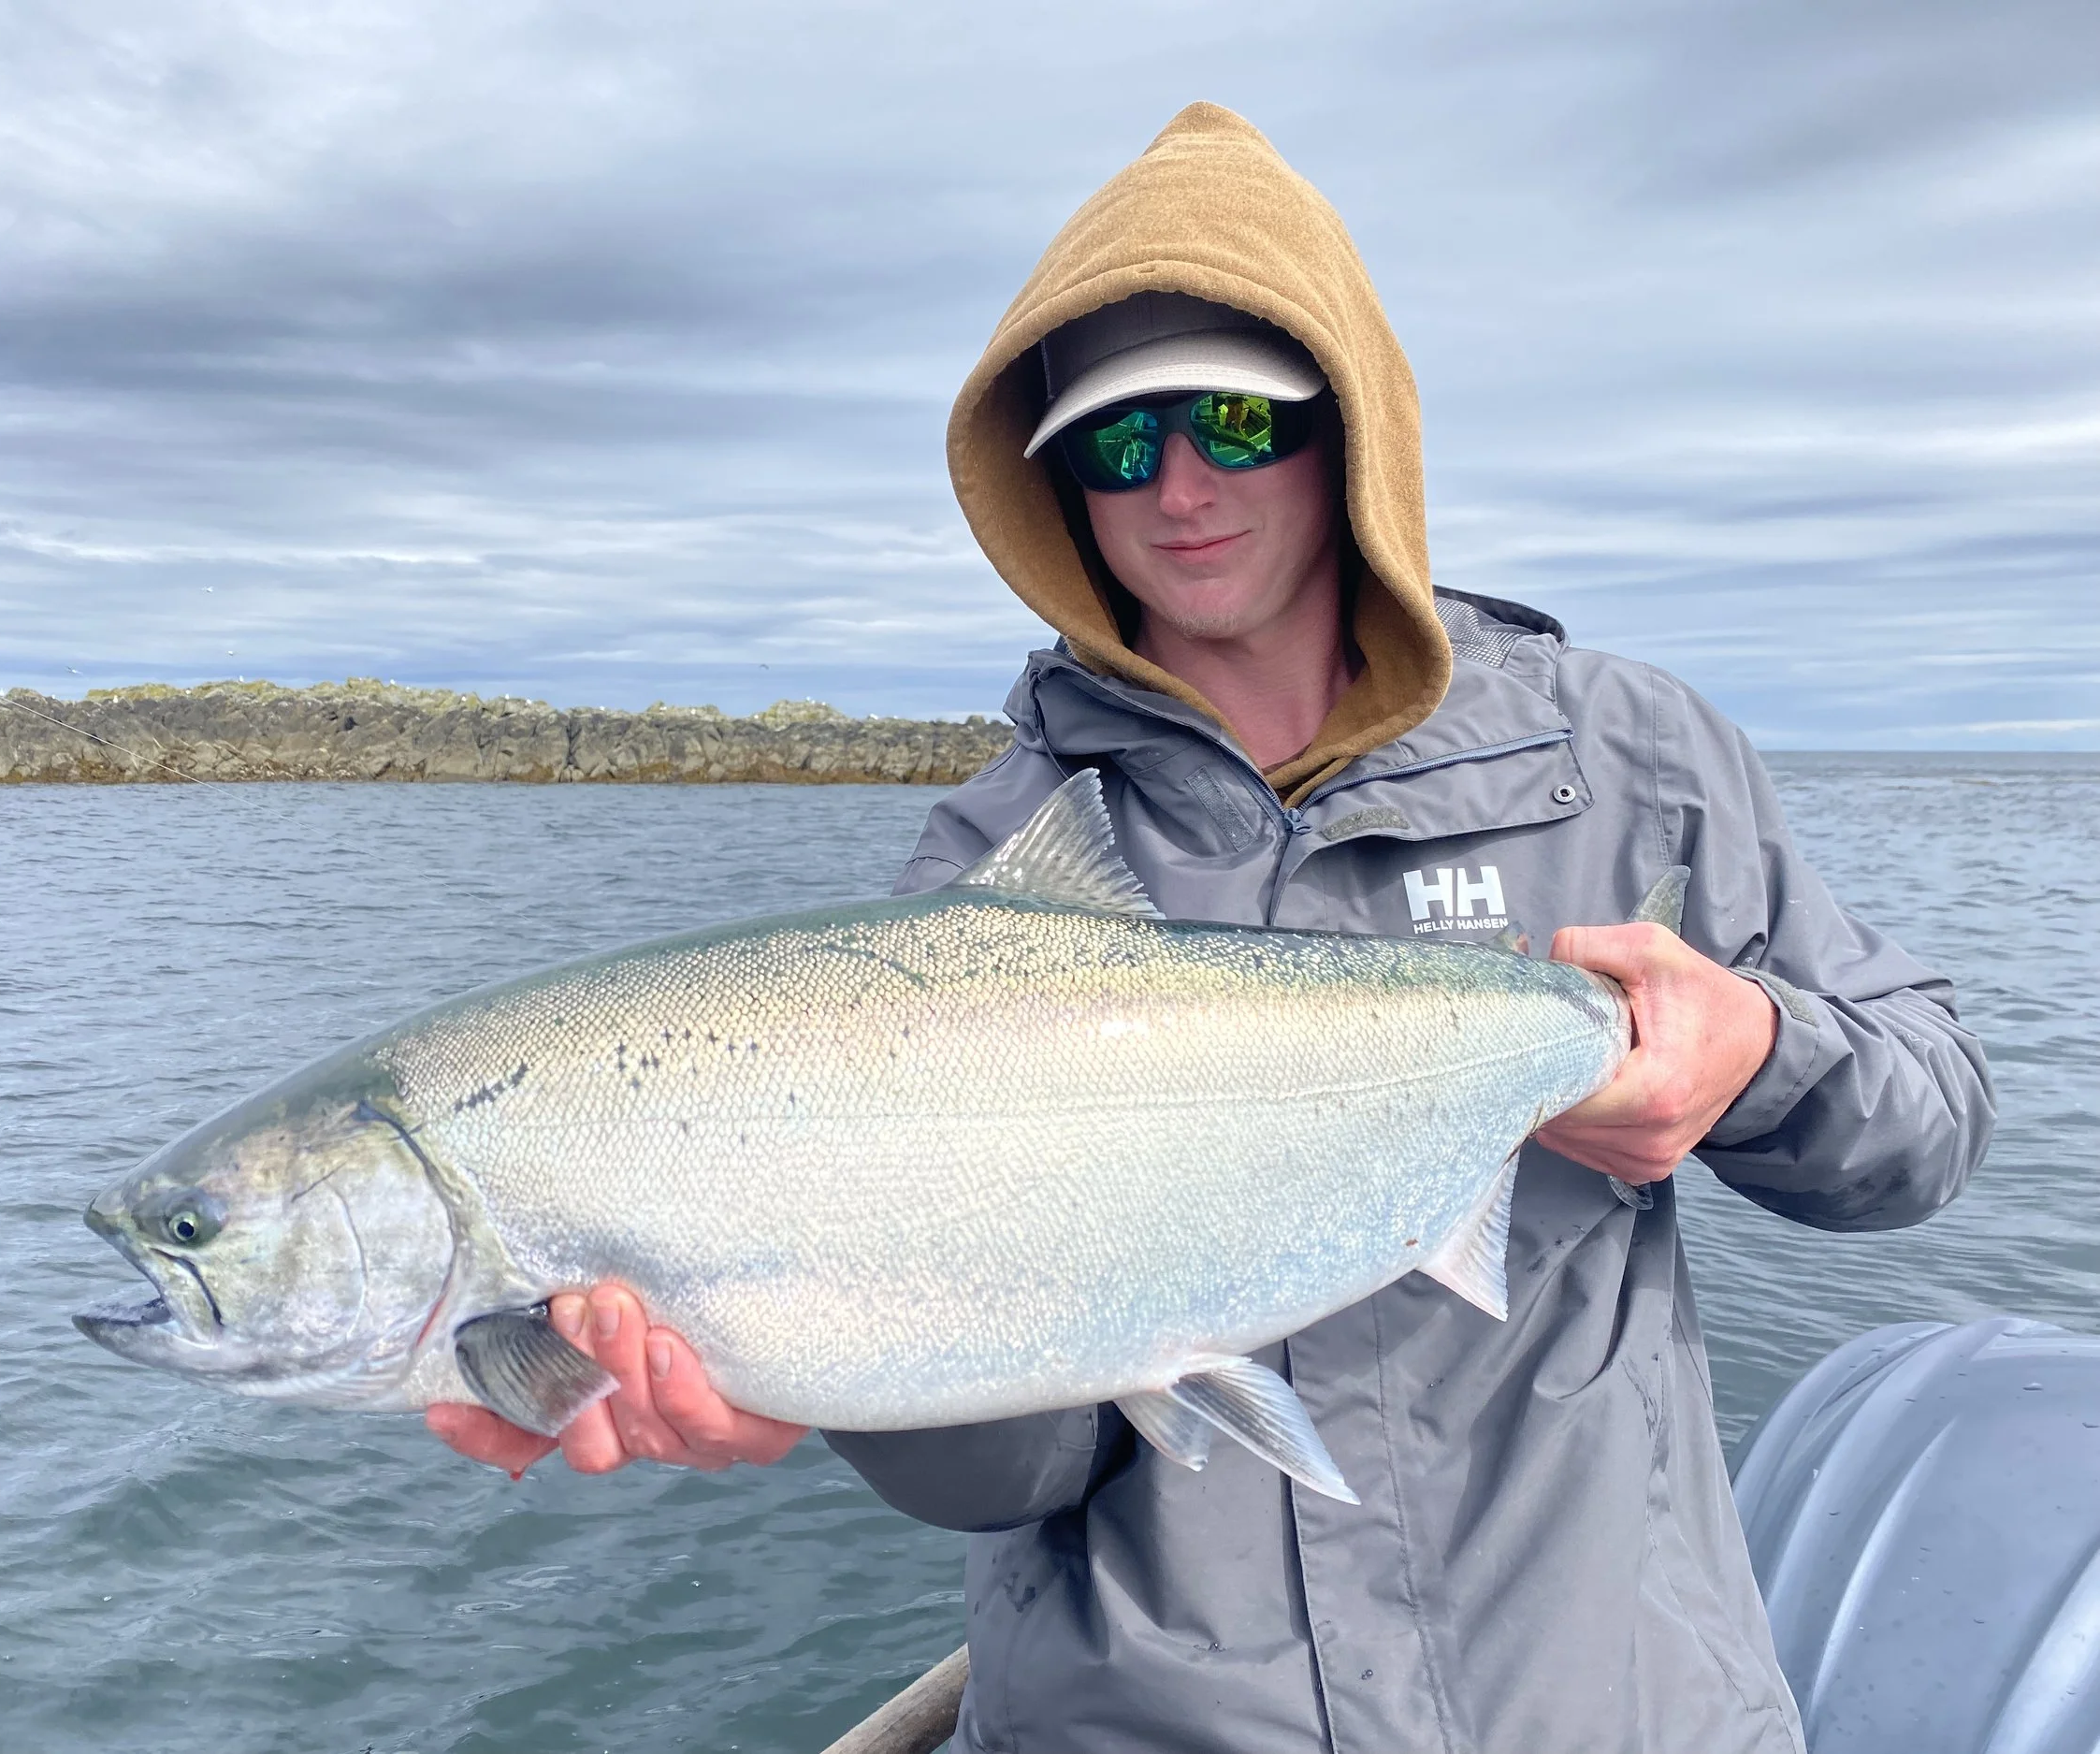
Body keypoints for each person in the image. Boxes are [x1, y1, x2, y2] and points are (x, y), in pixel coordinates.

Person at [428, 103, 1995, 1752]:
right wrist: (805, 1379)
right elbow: (1025, 1465)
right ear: (1056, 487)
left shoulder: (1631, 760)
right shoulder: (983, 870)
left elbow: (1927, 1131)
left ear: (1351, 431)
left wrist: (1752, 1052)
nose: (1177, 487)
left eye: (1235, 420)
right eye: (1114, 445)